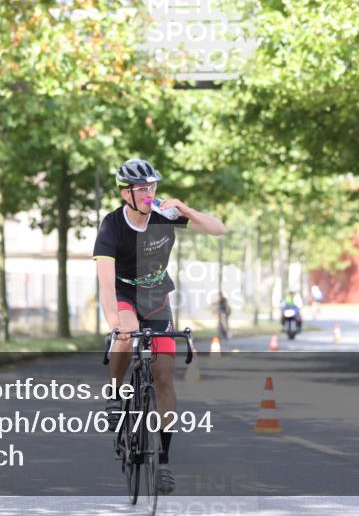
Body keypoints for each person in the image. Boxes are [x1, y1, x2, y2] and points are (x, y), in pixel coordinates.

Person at [93, 158, 226, 494]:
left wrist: (187, 210)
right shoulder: (112, 226)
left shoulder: (165, 215)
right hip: (124, 294)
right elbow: (106, 283)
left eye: (153, 186)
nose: (150, 193)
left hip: (157, 299)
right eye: (142, 189)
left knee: (164, 374)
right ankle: (114, 391)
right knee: (125, 335)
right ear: (126, 193)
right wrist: (113, 322)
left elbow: (218, 228)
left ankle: (163, 460)